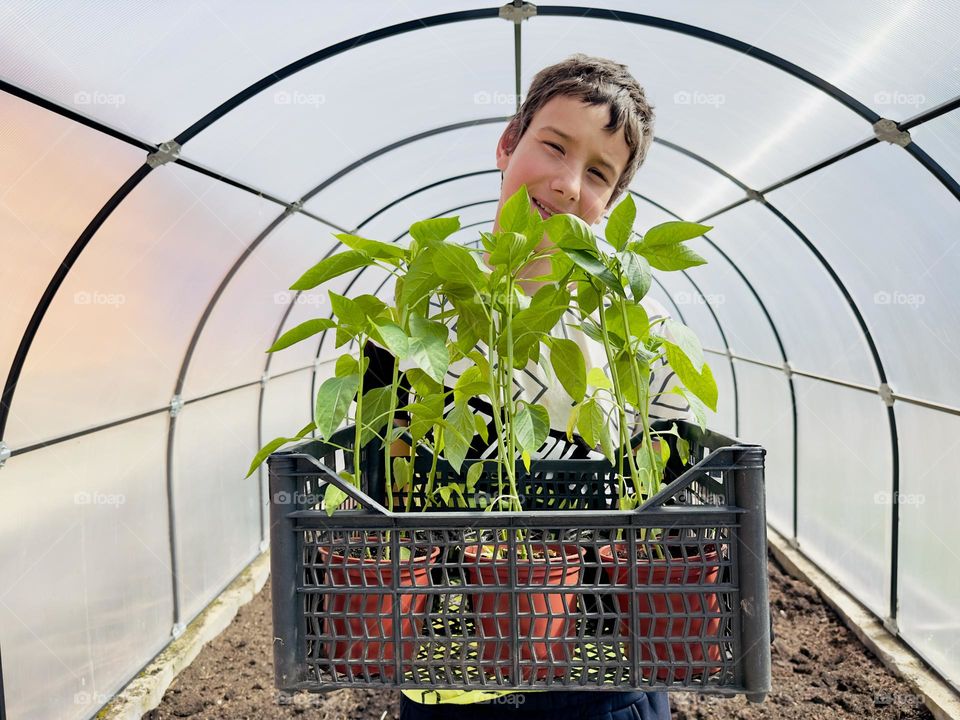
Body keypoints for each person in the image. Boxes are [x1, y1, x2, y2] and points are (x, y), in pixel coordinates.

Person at [369, 53, 693, 719]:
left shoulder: (634, 327)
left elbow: (676, 502)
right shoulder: (413, 311)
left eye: (599, 173)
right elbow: (382, 488)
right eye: (553, 146)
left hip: (604, 683)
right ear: (507, 144)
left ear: (614, 203)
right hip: (446, 680)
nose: (570, 184)